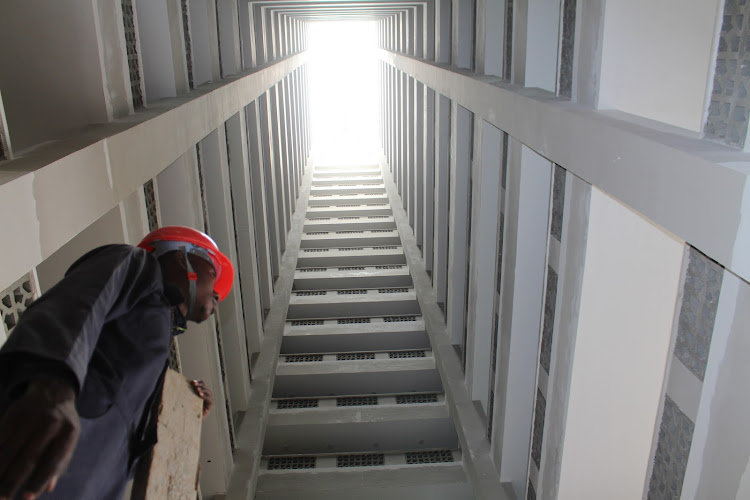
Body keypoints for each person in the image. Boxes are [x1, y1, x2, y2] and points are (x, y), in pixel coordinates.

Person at [0, 226, 234, 500]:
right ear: (183, 258)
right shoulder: (138, 267)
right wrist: (54, 385)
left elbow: (127, 448)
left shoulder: (157, 351)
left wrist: (182, 410)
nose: (217, 295)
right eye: (212, 273)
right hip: (30, 453)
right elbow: (73, 308)